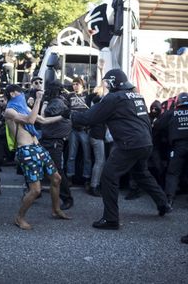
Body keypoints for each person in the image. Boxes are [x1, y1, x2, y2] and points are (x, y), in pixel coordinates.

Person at [71, 69, 172, 230]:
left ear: (113, 82)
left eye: (106, 82)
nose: (105, 86)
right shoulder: (136, 95)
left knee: (109, 176)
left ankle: (111, 219)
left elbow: (90, 118)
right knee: (142, 174)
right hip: (145, 142)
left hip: (129, 143)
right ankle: (163, 204)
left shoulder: (114, 98)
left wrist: (70, 115)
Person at [4, 84, 70, 230]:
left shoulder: (23, 107)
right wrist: (39, 100)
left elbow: (43, 121)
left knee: (56, 178)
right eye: (20, 92)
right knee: (35, 190)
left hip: (37, 146)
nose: (23, 95)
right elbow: (30, 120)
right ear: (12, 93)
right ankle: (19, 217)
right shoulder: (9, 110)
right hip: (26, 150)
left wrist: (63, 115)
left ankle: (56, 210)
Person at [40, 80, 74, 210]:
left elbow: (43, 117)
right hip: (50, 139)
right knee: (42, 166)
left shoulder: (57, 102)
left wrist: (44, 102)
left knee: (56, 170)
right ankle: (34, 191)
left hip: (54, 140)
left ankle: (67, 198)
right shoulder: (59, 101)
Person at [154, 92, 188, 207]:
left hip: (177, 147)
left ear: (177, 102)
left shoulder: (171, 113)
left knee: (172, 173)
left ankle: (169, 200)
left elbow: (157, 125)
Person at [66, 77, 92, 188]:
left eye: (77, 84)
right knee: (71, 155)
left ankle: (87, 179)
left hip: (84, 130)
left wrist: (101, 69)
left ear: (82, 85)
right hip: (73, 129)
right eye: (73, 84)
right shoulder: (69, 96)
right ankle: (69, 178)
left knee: (87, 156)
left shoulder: (87, 96)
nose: (75, 86)